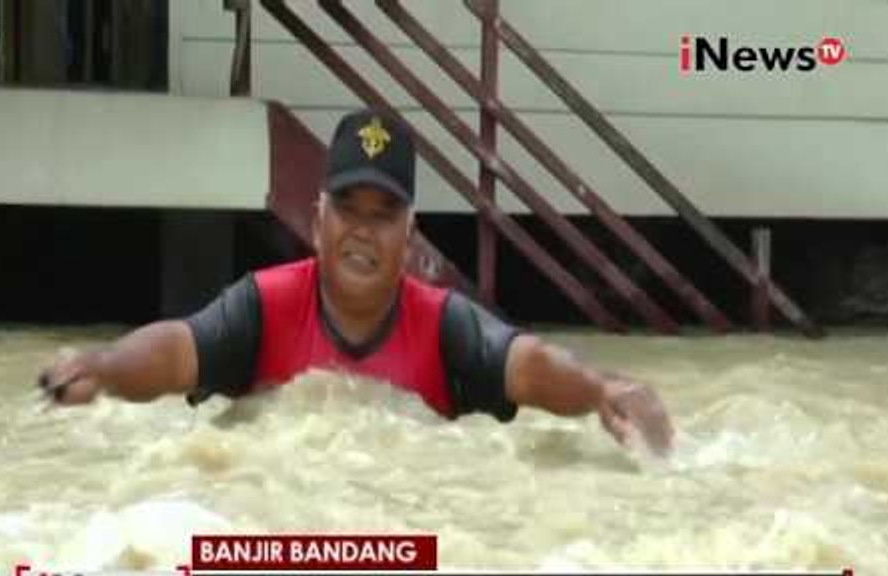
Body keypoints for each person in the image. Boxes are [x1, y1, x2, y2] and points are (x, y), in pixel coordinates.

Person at [38, 109, 674, 455]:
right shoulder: (264, 305)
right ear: (318, 219)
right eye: (349, 210)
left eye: (383, 215)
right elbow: (179, 349)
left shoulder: (445, 324)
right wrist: (104, 367)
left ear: (410, 232)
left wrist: (603, 389)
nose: (362, 232)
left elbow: (528, 364)